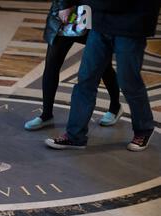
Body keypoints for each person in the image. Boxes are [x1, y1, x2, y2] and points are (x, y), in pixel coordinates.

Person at [45, 0, 160, 151]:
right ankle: (75, 136)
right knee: (85, 79)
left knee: (129, 81)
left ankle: (143, 129)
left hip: (131, 25)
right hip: (100, 23)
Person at [25, 0, 121, 131]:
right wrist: (64, 5)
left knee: (103, 66)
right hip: (64, 17)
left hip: (93, 14)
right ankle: (46, 114)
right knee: (51, 65)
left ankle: (115, 107)